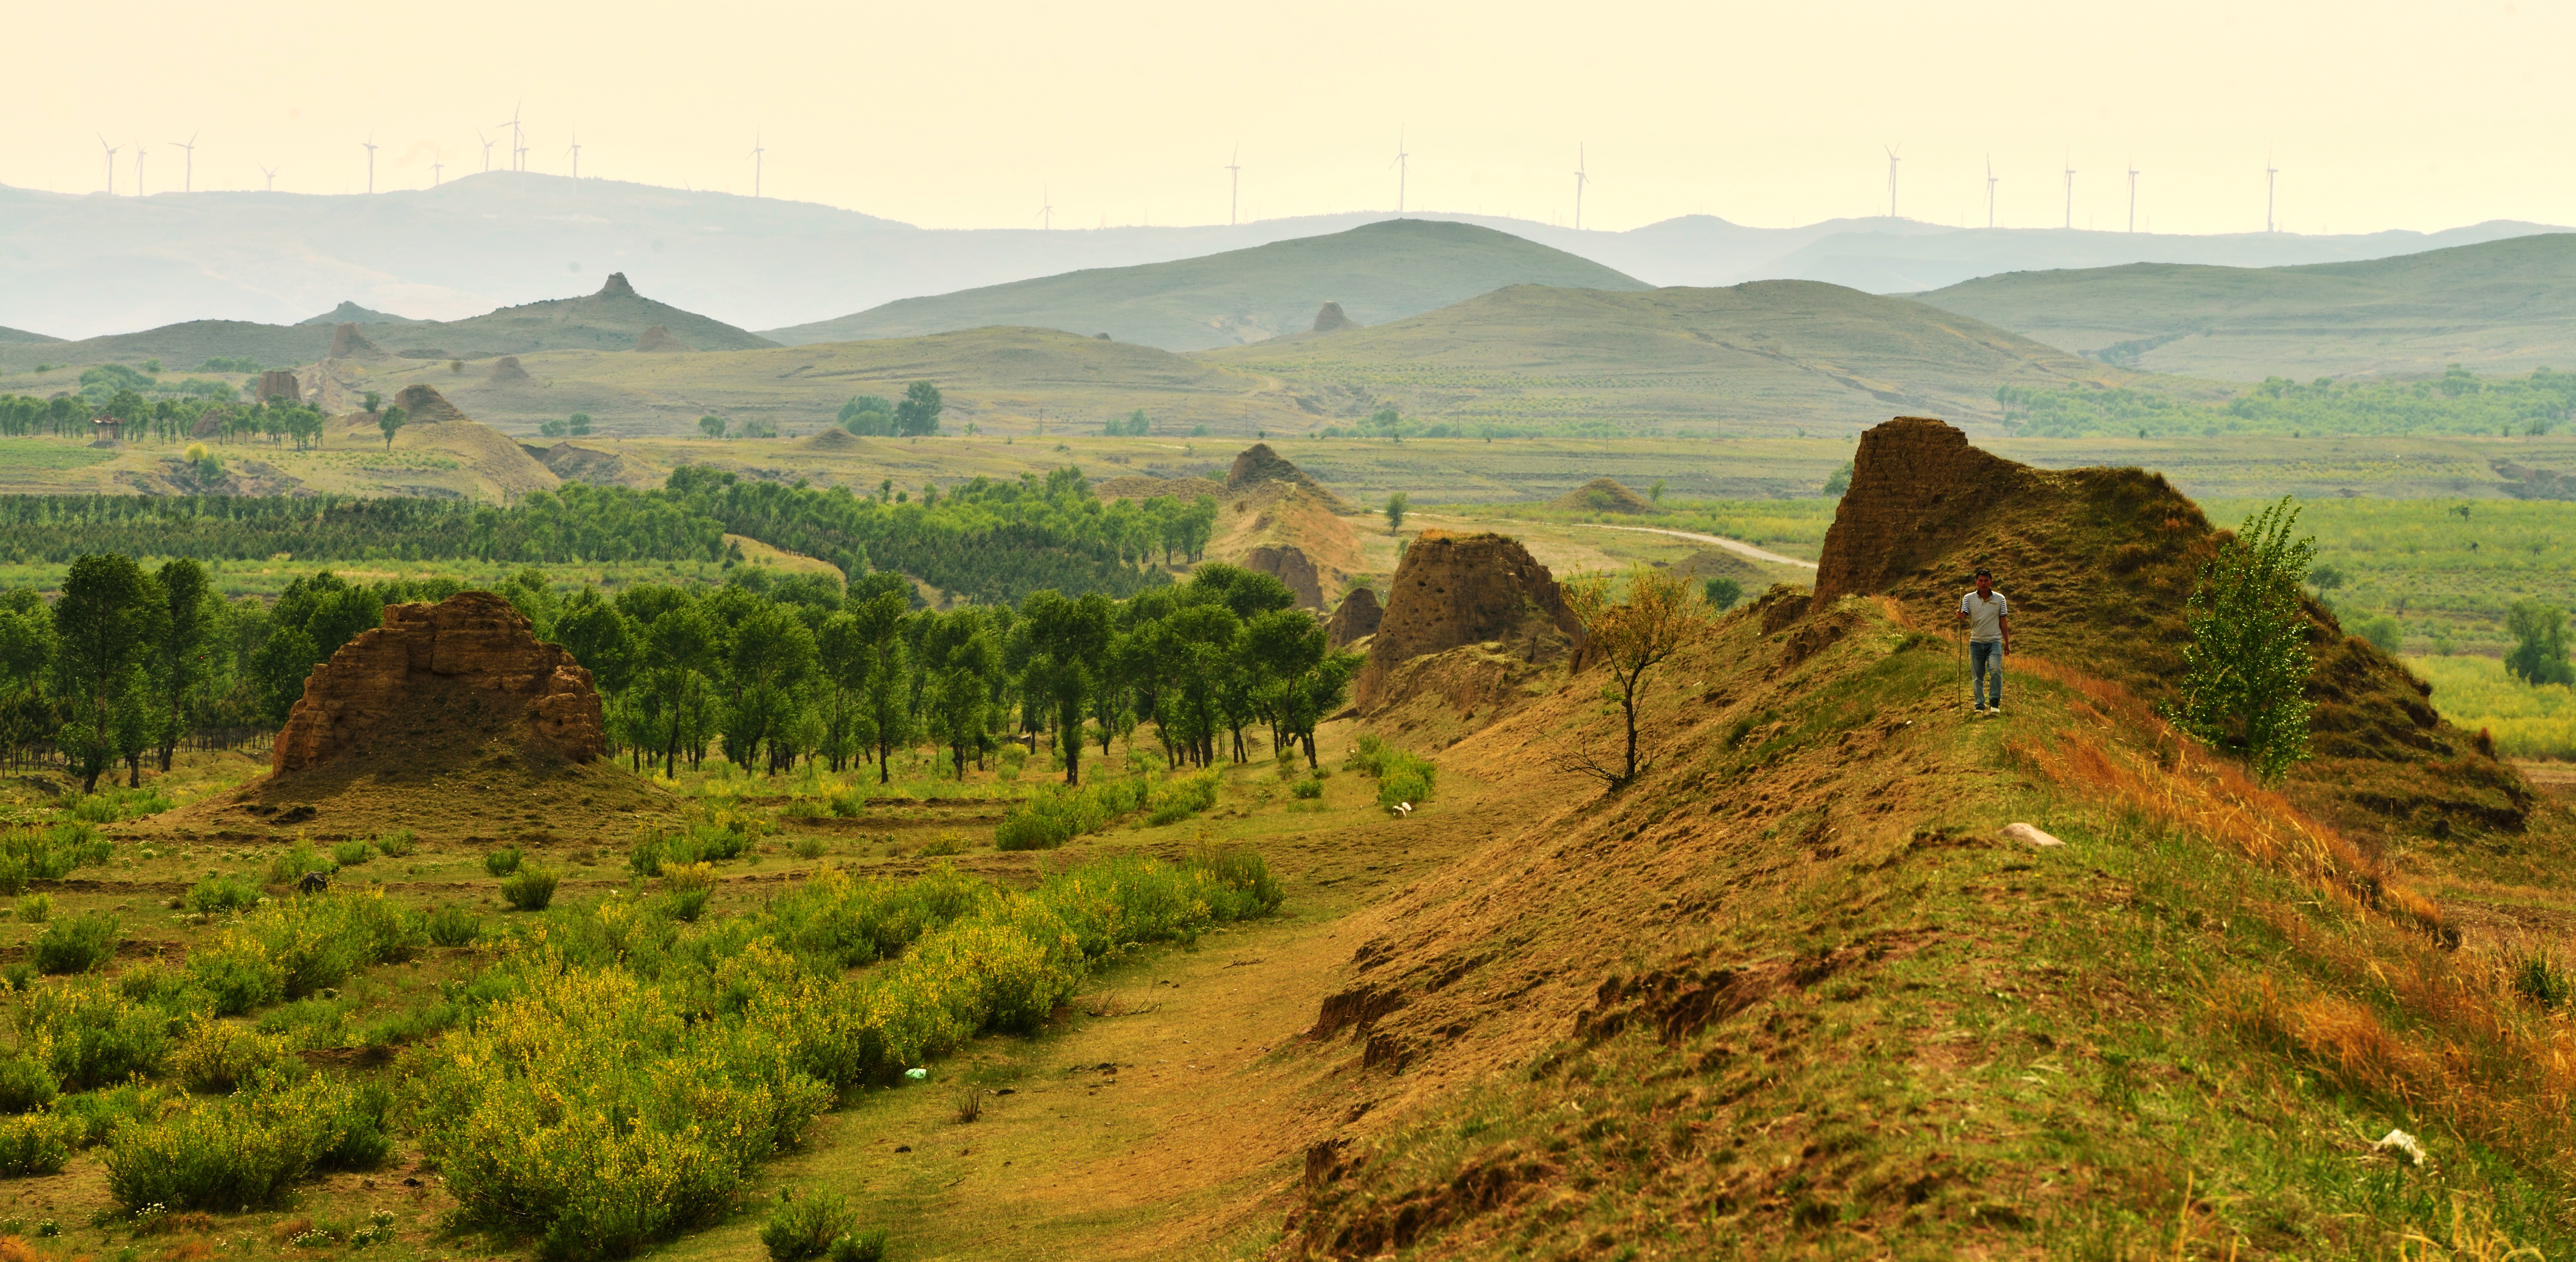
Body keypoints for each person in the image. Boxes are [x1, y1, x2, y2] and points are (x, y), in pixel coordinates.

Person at [1956, 567, 2010, 717]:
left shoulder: (2000, 599)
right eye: (1981, 581)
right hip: (1976, 642)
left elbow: (2003, 622)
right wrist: (1960, 616)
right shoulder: (1968, 598)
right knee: (1977, 676)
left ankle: (1994, 703)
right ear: (1976, 583)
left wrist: (2007, 643)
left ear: (1992, 582)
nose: (1984, 583)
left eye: (1986, 581)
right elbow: (1964, 617)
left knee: (1996, 670)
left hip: (1994, 642)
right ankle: (1980, 705)